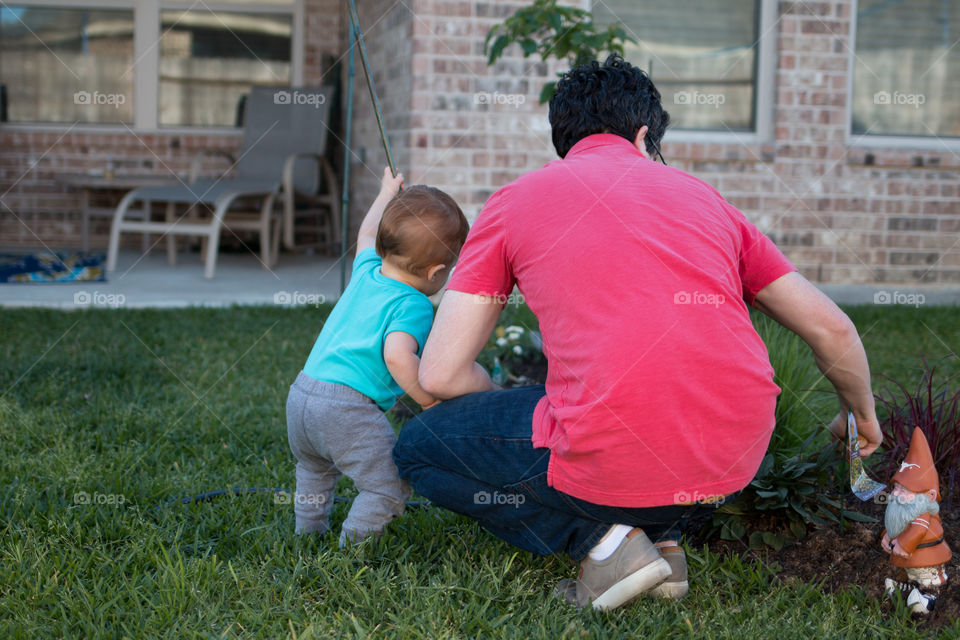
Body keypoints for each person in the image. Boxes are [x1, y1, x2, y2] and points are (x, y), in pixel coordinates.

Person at [393, 54, 883, 610]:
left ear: (565, 139)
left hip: (618, 448)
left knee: (419, 447)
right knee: (649, 419)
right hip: (730, 460)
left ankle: (606, 545)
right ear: (645, 133)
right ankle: (664, 546)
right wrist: (860, 415)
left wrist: (510, 416)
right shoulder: (710, 202)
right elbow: (832, 330)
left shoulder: (515, 200)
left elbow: (440, 373)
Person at [286, 167, 469, 547]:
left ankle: (306, 536)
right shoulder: (414, 304)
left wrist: (386, 192)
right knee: (388, 484)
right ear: (437, 272)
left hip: (301, 395)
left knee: (314, 469)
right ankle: (350, 550)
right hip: (346, 409)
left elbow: (366, 233)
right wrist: (429, 400)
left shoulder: (367, 269)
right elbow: (398, 357)